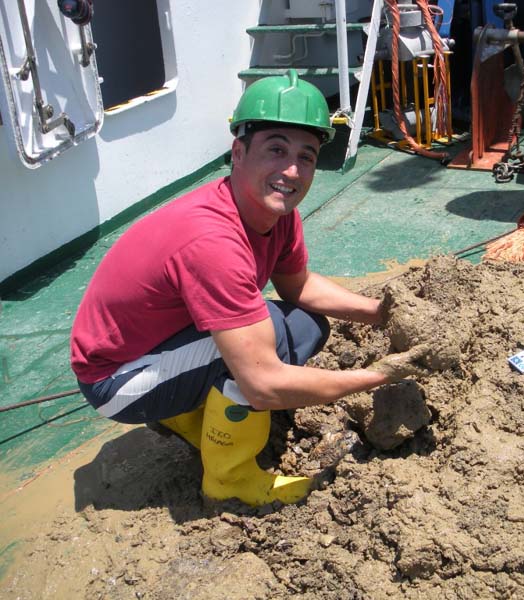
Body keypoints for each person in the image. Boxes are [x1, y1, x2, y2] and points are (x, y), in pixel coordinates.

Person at [70, 69, 425, 507]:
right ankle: (230, 479)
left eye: (307, 156)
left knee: (301, 324)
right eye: (276, 149)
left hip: (155, 347)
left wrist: (379, 311)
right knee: (264, 349)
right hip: (115, 379)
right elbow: (262, 384)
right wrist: (376, 377)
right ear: (238, 151)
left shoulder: (274, 214)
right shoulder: (211, 241)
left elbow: (299, 287)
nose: (291, 170)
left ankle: (193, 415)